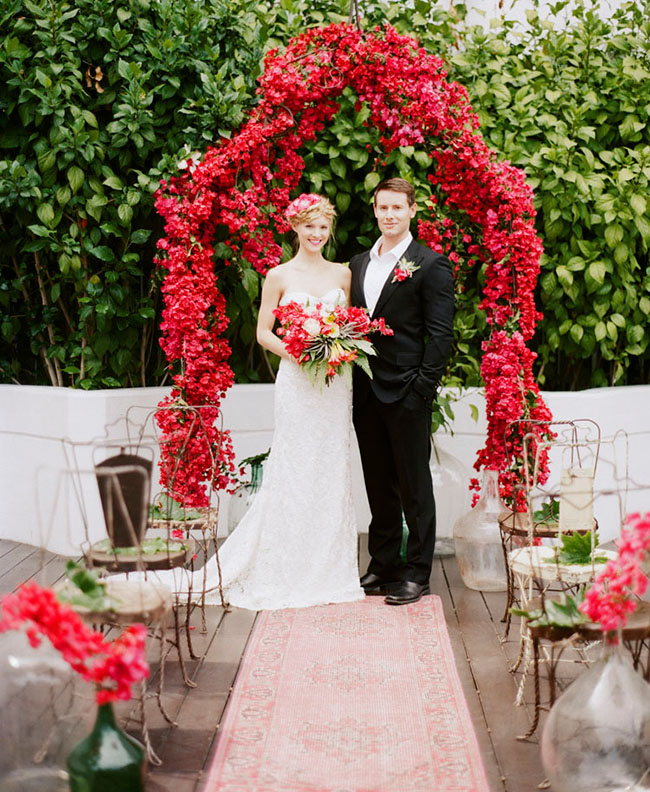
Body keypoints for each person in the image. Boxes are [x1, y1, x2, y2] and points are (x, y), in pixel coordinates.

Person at [122, 194, 365, 610]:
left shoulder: (343, 275)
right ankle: (284, 565)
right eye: (310, 226)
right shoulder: (278, 275)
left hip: (334, 382)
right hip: (298, 380)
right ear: (295, 228)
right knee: (294, 465)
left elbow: (353, 324)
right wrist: (300, 352)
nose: (317, 234)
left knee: (330, 466)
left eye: (323, 227)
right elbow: (263, 333)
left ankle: (328, 567)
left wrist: (337, 347)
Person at [350, 177, 455, 606]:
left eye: (398, 207)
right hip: (366, 392)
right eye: (382, 208)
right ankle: (384, 563)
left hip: (409, 392)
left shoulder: (430, 264)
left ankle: (416, 572)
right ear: (374, 211)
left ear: (413, 210)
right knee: (378, 483)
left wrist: (423, 390)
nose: (389, 215)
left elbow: (440, 336)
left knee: (414, 485)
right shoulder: (358, 263)